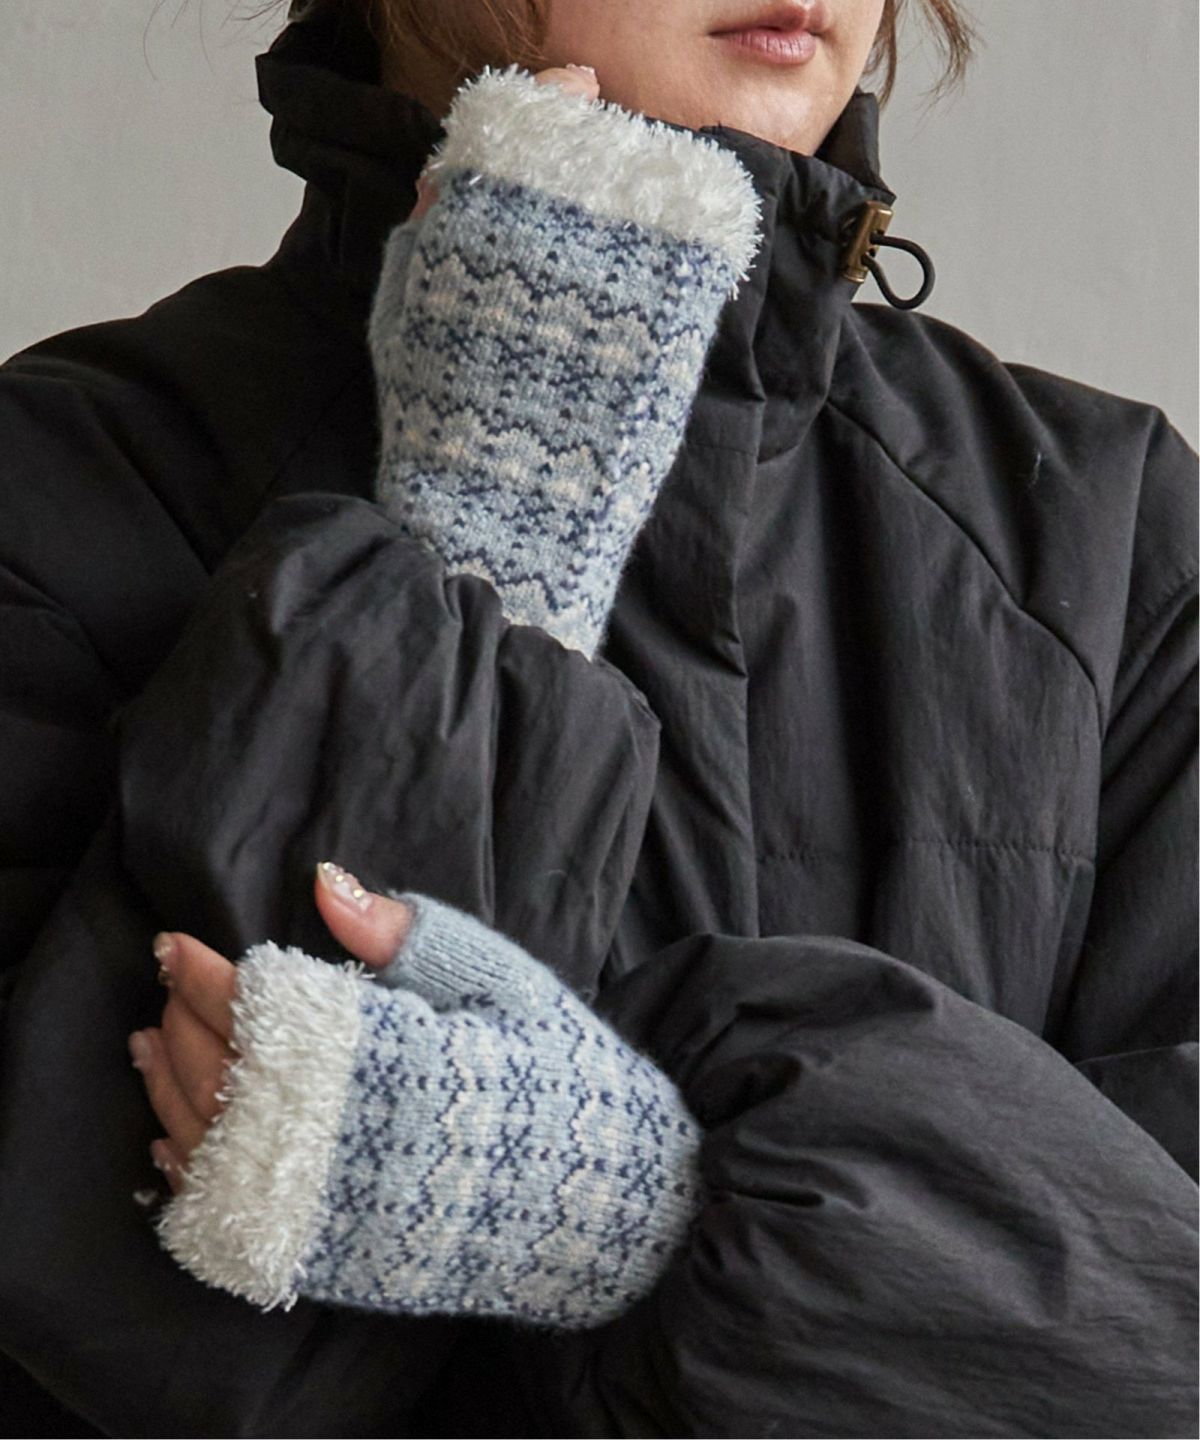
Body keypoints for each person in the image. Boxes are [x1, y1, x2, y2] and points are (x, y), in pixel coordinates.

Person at [0, 1, 1195, 1436]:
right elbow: (148, 1344)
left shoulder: (1111, 541)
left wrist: (640, 1220)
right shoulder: (56, 490)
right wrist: (477, 550)